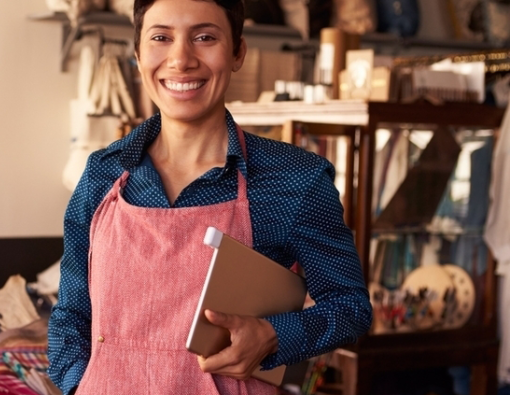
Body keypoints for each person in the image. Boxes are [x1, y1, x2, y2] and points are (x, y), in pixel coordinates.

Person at [47, 0, 373, 393]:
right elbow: (70, 314)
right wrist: (79, 385)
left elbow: (350, 307)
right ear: (138, 54)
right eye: (161, 38)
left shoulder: (294, 179)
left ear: (238, 52)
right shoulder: (104, 174)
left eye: (204, 37)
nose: (181, 59)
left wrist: (273, 335)